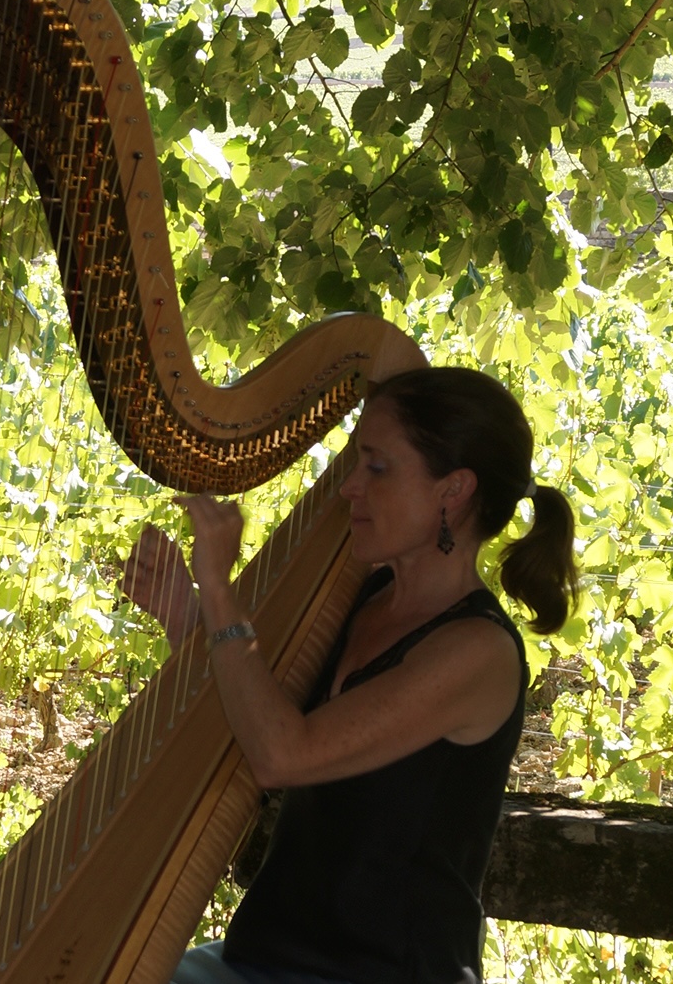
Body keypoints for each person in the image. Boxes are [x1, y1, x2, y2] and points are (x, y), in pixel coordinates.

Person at [120, 366, 578, 984]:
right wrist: (184, 613)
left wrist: (220, 597)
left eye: (377, 467)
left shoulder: (477, 652)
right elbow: (258, 714)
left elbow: (283, 754)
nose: (349, 488)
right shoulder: (360, 597)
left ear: (454, 491)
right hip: (269, 955)